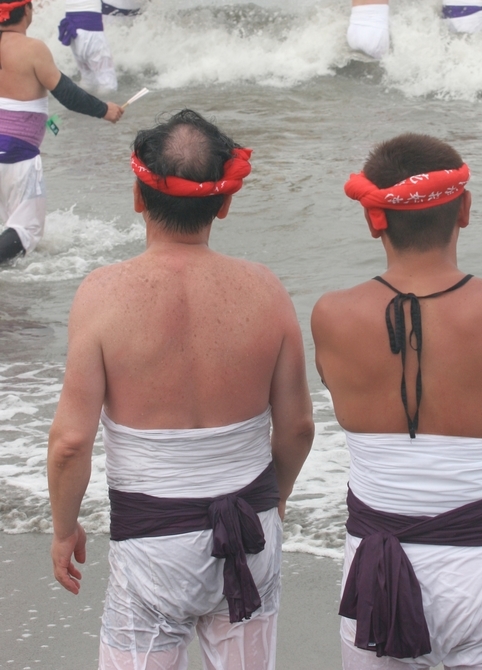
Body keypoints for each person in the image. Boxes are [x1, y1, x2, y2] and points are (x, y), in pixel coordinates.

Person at [47, 109, 314, 670]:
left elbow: (71, 443)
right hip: (251, 531)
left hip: (154, 545)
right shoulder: (265, 289)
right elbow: (297, 428)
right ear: (225, 203)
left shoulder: (102, 294)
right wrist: (277, 499)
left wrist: (64, 529)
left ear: (138, 196)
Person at [312, 132, 482, 670]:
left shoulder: (332, 314)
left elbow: (336, 389)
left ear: (373, 219)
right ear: (464, 209)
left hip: (375, 569)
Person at [0, 0, 122, 266]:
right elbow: (66, 93)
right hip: (17, 152)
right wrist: (104, 110)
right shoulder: (32, 48)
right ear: (27, 9)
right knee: (26, 231)